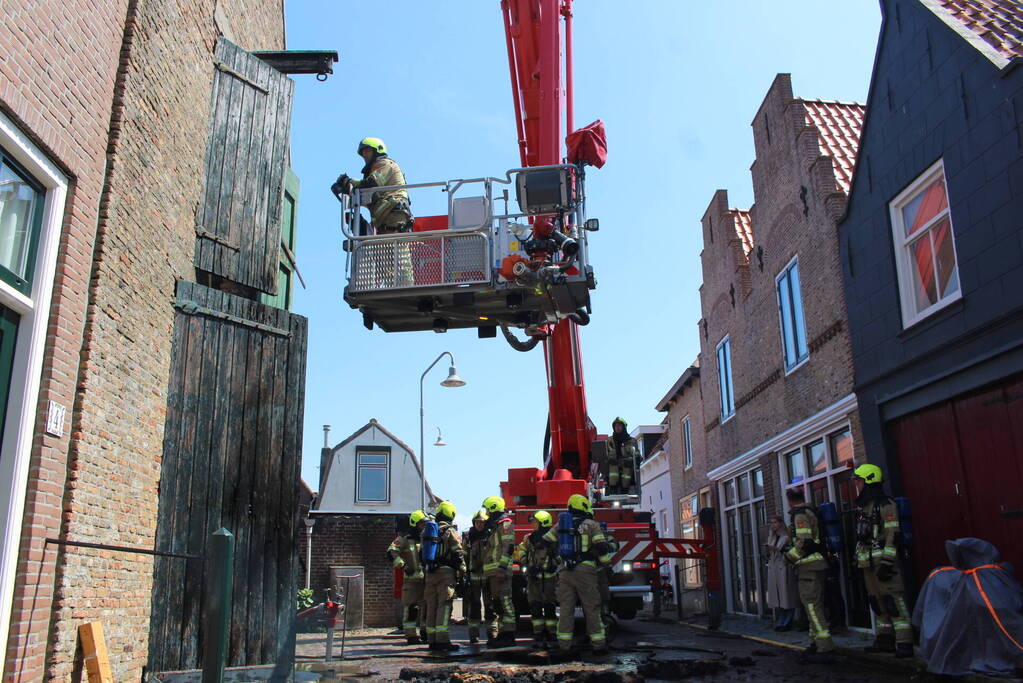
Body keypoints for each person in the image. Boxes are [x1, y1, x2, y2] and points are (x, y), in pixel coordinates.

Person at [853, 463, 913, 658]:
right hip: (868, 563)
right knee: (877, 602)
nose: (857, 485)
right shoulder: (865, 506)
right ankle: (884, 639)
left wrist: (887, 562)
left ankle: (904, 642)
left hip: (883, 562)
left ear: (869, 480)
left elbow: (892, 533)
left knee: (893, 600)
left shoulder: (886, 504)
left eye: (859, 481)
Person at [544, 494, 611, 656]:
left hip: (565, 571)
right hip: (585, 572)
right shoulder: (592, 525)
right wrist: (606, 565)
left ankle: (564, 645)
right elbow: (602, 548)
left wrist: (556, 557)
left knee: (566, 609)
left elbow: (545, 542)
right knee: (592, 608)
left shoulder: (561, 524)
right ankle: (598, 645)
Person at [784, 484, 835, 661]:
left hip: (809, 568)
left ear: (789, 501)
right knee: (814, 606)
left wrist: (789, 557)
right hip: (816, 566)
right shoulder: (811, 512)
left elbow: (804, 542)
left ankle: (824, 646)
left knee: (813, 608)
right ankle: (815, 642)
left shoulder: (800, 515)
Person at [331, 137, 412, 234]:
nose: (364, 155)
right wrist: (348, 190)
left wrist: (348, 181)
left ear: (378, 150)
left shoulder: (386, 164)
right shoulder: (376, 170)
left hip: (395, 215)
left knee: (396, 247)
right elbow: (369, 196)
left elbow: (371, 183)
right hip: (386, 219)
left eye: (367, 151)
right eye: (363, 153)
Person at [422, 500, 465, 651]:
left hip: (430, 573)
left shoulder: (428, 531)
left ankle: (432, 640)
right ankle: (442, 640)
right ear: (451, 514)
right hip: (445, 573)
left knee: (431, 606)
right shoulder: (450, 531)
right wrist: (463, 570)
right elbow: (458, 552)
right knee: (444, 605)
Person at [518, 510, 560, 649]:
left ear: (543, 523)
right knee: (535, 605)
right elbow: (521, 552)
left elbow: (560, 556)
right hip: (533, 577)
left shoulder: (553, 539)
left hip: (549, 578)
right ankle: (538, 633)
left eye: (535, 522)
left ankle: (552, 633)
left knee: (549, 606)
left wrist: (553, 566)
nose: (532, 525)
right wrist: (528, 566)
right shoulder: (528, 538)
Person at [481, 495, 518, 647]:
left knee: (505, 603)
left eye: (488, 510)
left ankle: (509, 635)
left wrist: (502, 568)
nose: (487, 514)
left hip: (500, 572)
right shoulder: (495, 526)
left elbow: (508, 547)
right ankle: (502, 635)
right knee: (498, 605)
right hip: (493, 574)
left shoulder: (505, 524)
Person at [388, 510, 428, 644]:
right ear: (415, 524)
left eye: (425, 524)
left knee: (426, 607)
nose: (423, 526)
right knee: (411, 608)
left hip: (426, 579)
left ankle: (425, 632)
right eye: (422, 523)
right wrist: (403, 566)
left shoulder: (426, 538)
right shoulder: (405, 539)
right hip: (411, 581)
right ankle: (411, 635)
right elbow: (391, 552)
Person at [463, 508, 495, 644]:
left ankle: (492, 634)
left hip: (488, 577)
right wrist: (464, 574)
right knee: (474, 607)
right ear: (474, 523)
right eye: (477, 522)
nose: (480, 525)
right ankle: (473, 635)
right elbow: (464, 555)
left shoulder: (491, 536)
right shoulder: (468, 537)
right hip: (474, 577)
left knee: (490, 607)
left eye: (482, 522)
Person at [765, 515, 797, 631]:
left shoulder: (786, 537)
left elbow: (790, 551)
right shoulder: (771, 538)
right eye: (771, 523)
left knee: (786, 595)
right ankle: (781, 619)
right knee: (777, 595)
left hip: (783, 567)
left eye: (775, 522)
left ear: (780, 524)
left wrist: (777, 549)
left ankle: (788, 620)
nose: (773, 525)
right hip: (774, 567)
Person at [605, 418, 639, 495]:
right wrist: (609, 459)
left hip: (626, 464)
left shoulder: (632, 441)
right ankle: (613, 489)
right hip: (614, 464)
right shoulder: (609, 441)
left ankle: (625, 489)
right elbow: (605, 454)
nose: (617, 427)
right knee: (613, 467)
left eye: (619, 425)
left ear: (624, 427)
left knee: (627, 469)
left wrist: (631, 460)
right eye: (616, 426)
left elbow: (636, 454)